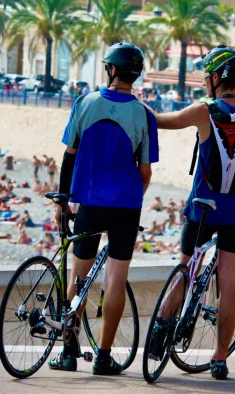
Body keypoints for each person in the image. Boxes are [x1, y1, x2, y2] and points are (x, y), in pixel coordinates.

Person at [144, 45, 235, 381]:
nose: (204, 81)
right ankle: (219, 358)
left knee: (185, 269)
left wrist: (132, 100)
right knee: (228, 281)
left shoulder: (204, 112)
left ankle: (160, 330)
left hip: (201, 208)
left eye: (207, 75)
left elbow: (158, 121)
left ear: (218, 77)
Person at [50, 42, 158, 376]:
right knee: (115, 279)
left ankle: (69, 353)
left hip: (90, 201)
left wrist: (64, 200)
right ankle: (104, 356)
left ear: (111, 70)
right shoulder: (143, 114)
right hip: (126, 205)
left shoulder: (86, 102)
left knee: (78, 277)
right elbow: (145, 173)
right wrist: (131, 197)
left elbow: (70, 154)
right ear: (134, 74)